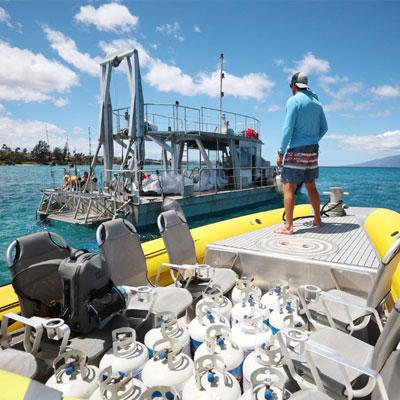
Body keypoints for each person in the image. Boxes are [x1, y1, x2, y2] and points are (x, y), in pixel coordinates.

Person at [275, 72, 328, 235]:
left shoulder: (294, 101)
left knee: (288, 187)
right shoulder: (317, 103)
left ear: (294, 85)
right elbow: (324, 128)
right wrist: (313, 139)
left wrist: (281, 153)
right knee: (311, 186)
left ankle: (288, 226)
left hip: (297, 150)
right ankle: (318, 220)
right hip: (313, 150)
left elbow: (287, 129)